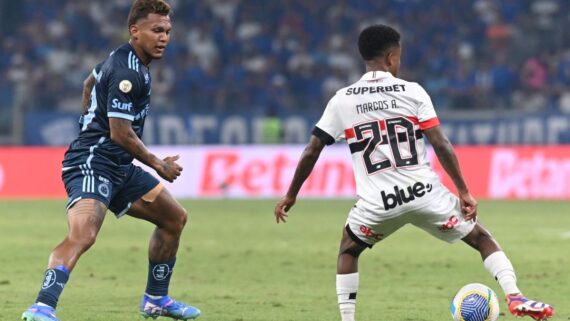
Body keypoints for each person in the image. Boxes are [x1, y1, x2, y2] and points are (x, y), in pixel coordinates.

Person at [274, 24, 554, 321]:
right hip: (424, 194)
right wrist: (463, 191)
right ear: (392, 56)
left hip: (377, 203)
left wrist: (291, 194)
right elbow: (441, 144)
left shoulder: (342, 100)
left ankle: (348, 319)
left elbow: (312, 150)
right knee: (482, 239)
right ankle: (514, 295)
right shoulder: (412, 91)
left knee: (348, 252)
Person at [22, 1, 201, 320]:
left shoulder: (124, 59)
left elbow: (88, 83)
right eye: (156, 30)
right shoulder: (127, 71)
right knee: (84, 235)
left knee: (174, 218)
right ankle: (42, 306)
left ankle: (156, 299)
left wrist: (87, 119)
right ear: (135, 31)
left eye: (168, 32)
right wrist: (158, 164)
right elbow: (121, 133)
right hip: (92, 163)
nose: (164, 38)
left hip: (119, 166)